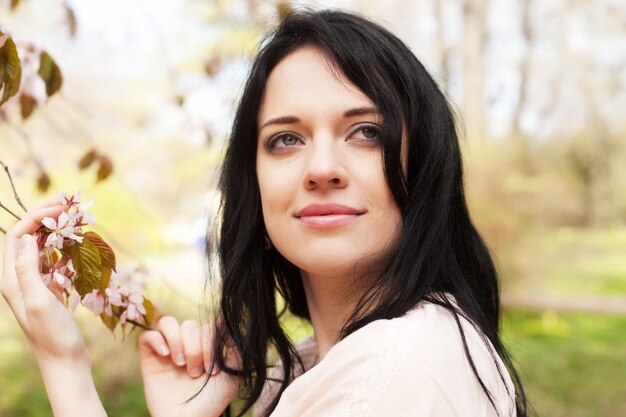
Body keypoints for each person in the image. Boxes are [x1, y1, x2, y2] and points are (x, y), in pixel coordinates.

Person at [1, 9, 529, 417]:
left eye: (366, 131)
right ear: (252, 185)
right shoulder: (315, 365)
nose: (322, 168)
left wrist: (63, 365)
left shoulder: (396, 371)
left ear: (426, 165)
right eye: (285, 139)